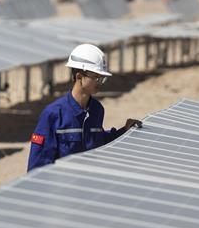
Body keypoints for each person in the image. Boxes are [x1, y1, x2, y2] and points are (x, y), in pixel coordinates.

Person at [28, 43, 141, 171]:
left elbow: (99, 140)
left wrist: (124, 130)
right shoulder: (53, 114)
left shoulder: (97, 109)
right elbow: (38, 163)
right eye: (96, 77)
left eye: (102, 78)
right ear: (79, 77)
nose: (100, 82)